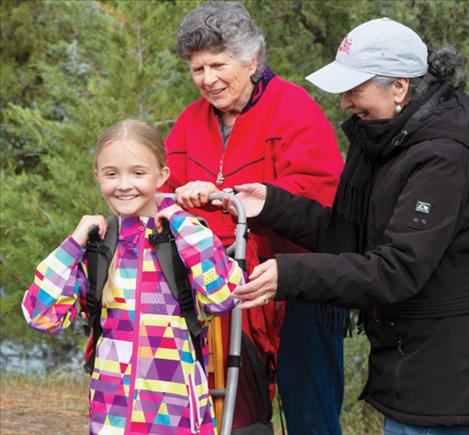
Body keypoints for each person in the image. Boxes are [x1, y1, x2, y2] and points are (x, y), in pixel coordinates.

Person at [232, 18, 469, 434]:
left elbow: (396, 269)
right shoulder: (386, 141)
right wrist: (269, 205)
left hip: (444, 378)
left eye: (355, 89)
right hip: (412, 366)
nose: (344, 103)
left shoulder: (440, 157)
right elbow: (350, 235)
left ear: (399, 86)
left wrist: (290, 274)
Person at [163, 1, 346, 433]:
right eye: (197, 69)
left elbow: (321, 195)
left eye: (218, 65)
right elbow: (163, 188)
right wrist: (178, 198)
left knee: (309, 413)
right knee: (235, 416)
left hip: (297, 283)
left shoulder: (293, 108)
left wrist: (227, 199)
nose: (207, 80)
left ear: (252, 60)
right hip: (221, 289)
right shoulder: (190, 123)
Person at [21, 119, 244, 435]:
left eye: (138, 173)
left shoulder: (184, 239)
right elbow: (41, 316)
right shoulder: (99, 248)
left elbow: (226, 296)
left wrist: (183, 222)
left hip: (176, 418)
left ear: (161, 175)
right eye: (112, 173)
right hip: (111, 418)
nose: (124, 184)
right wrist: (73, 244)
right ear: (97, 176)